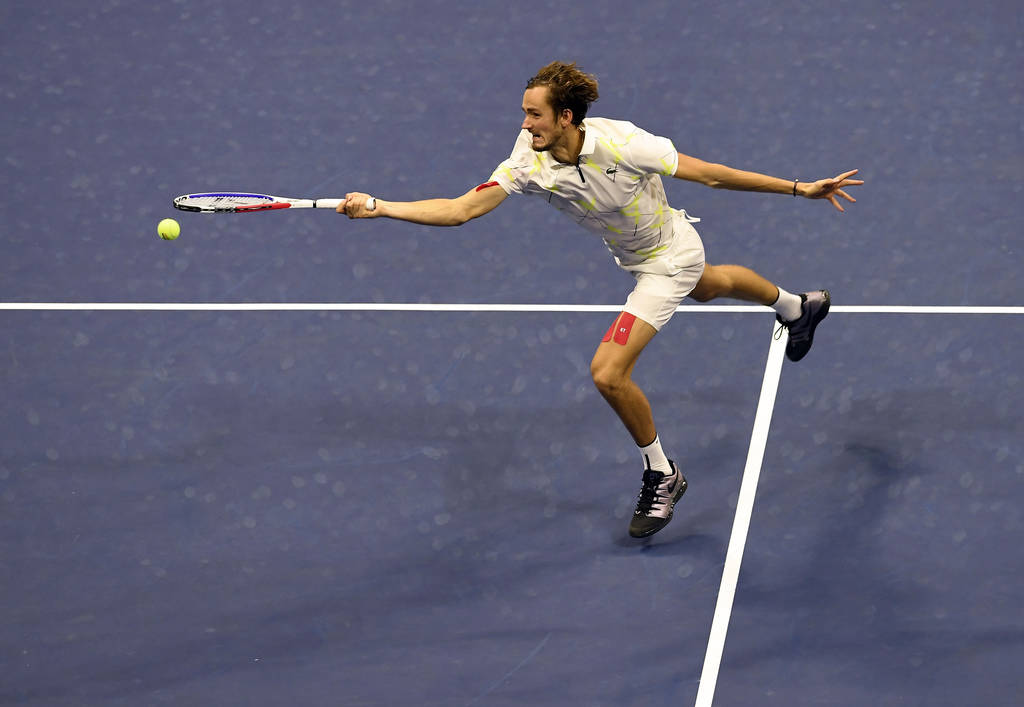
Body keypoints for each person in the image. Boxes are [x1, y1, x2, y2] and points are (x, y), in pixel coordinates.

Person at [338, 61, 863, 539]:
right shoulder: (528, 161)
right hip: (641, 256)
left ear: (566, 117)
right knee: (709, 286)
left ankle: (662, 471)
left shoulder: (624, 143)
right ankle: (797, 306)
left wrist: (799, 189)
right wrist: (381, 207)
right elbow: (459, 210)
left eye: (534, 115)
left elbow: (711, 175)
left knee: (608, 373)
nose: (525, 125)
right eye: (524, 115)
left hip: (668, 258)